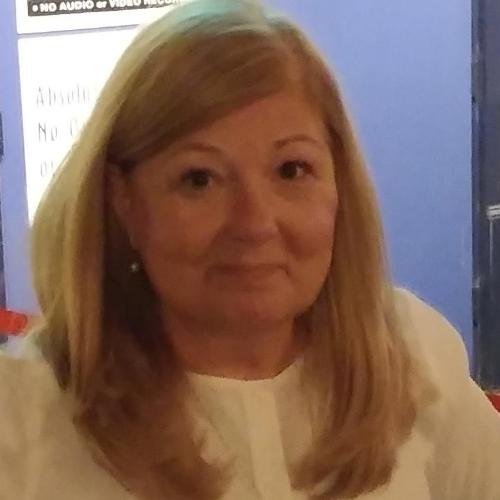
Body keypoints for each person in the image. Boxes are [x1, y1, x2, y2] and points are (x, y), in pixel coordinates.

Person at [1, 1, 499, 499]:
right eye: (200, 179)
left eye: (291, 170)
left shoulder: (412, 354)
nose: (254, 224)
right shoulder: (21, 421)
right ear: (123, 203)